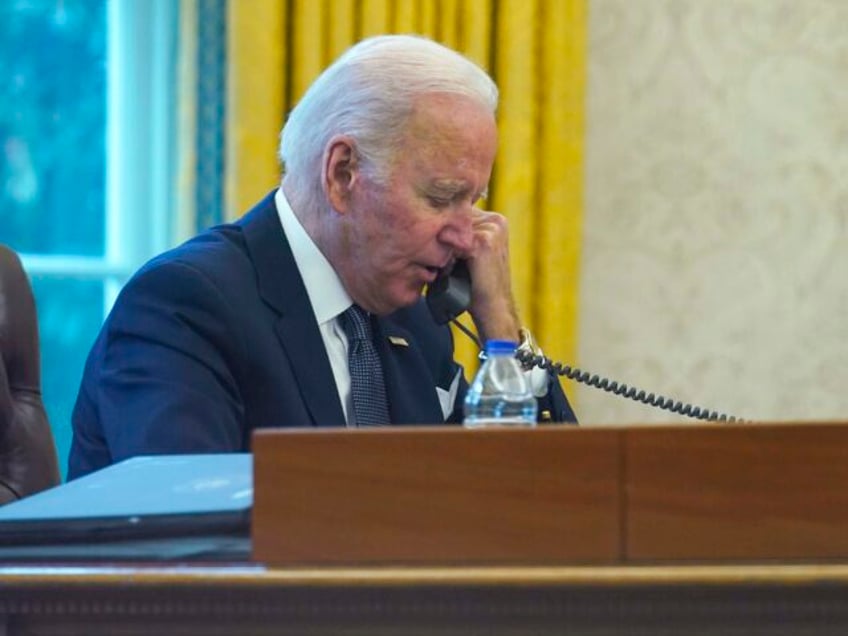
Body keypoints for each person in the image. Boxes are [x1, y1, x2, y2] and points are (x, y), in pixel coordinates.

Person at [68, 34, 577, 479]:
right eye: (442, 198)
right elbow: (188, 534)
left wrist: (503, 335)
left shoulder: (417, 324)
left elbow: (529, 501)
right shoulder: (185, 306)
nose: (469, 237)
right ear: (342, 173)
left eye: (475, 201)